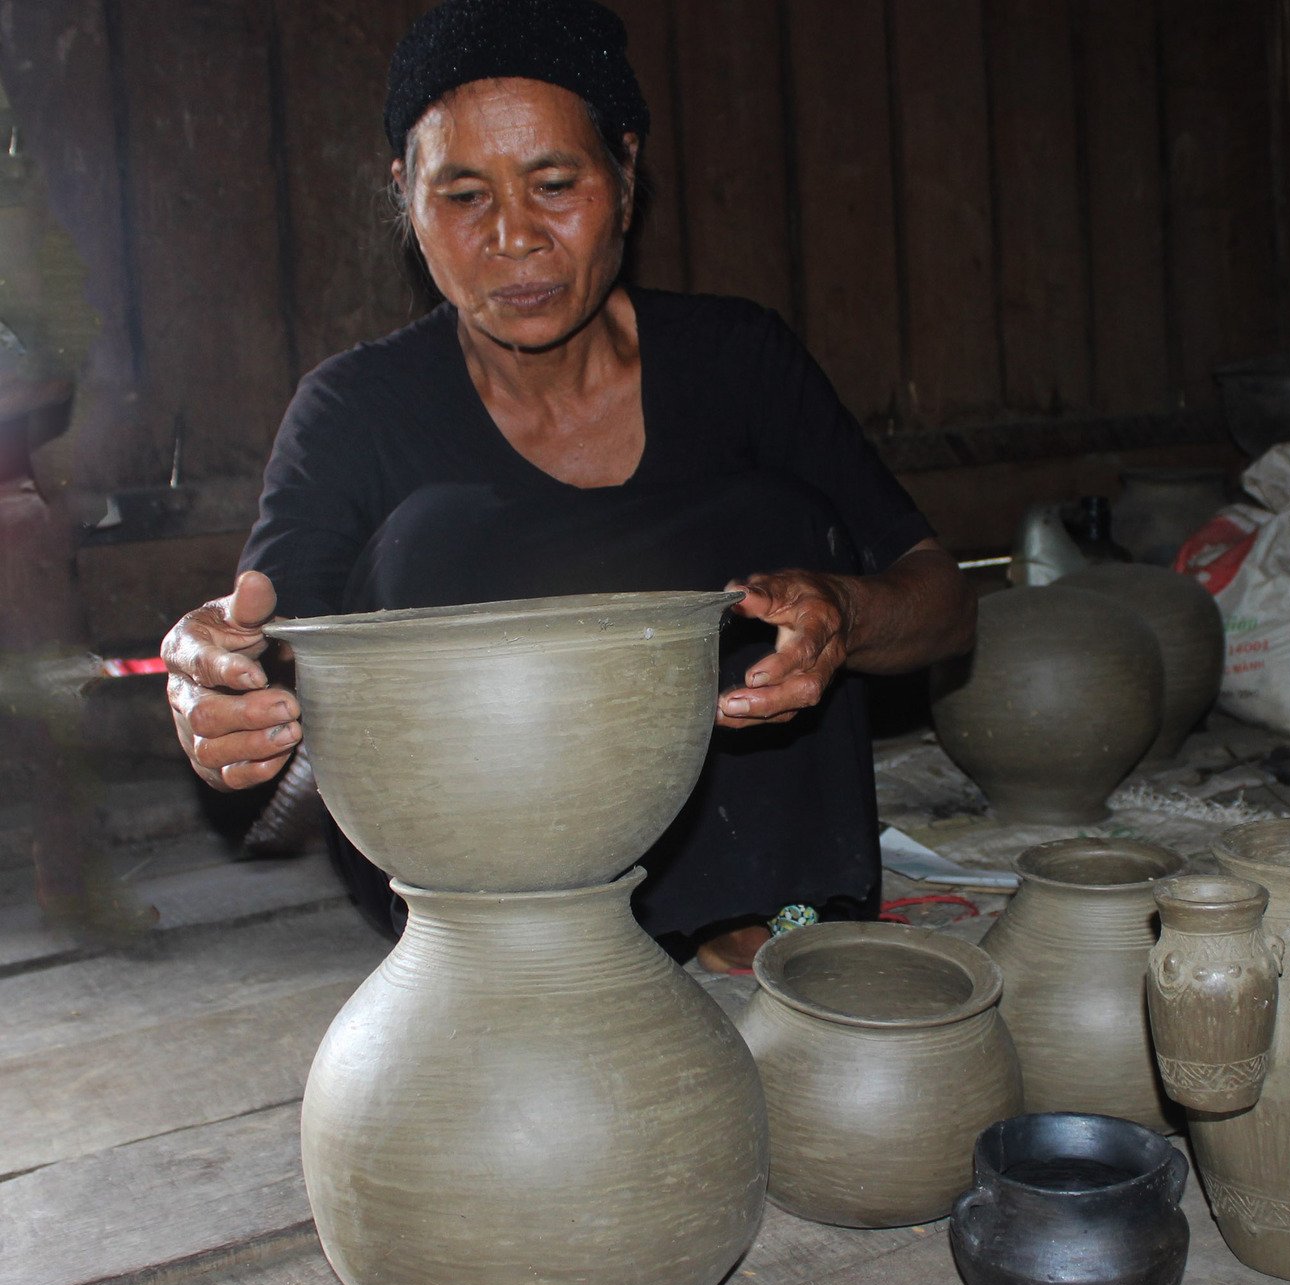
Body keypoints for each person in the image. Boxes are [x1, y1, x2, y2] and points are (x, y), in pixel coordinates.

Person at [161, 0, 974, 971]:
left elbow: (943, 604)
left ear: (625, 176)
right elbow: (268, 645)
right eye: (464, 196)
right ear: (405, 199)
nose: (515, 236)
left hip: (744, 874)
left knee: (775, 520)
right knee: (434, 537)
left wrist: (845, 609)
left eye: (554, 183)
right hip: (480, 907)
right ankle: (516, 961)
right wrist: (218, 684)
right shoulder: (353, 410)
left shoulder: (738, 360)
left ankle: (752, 930)